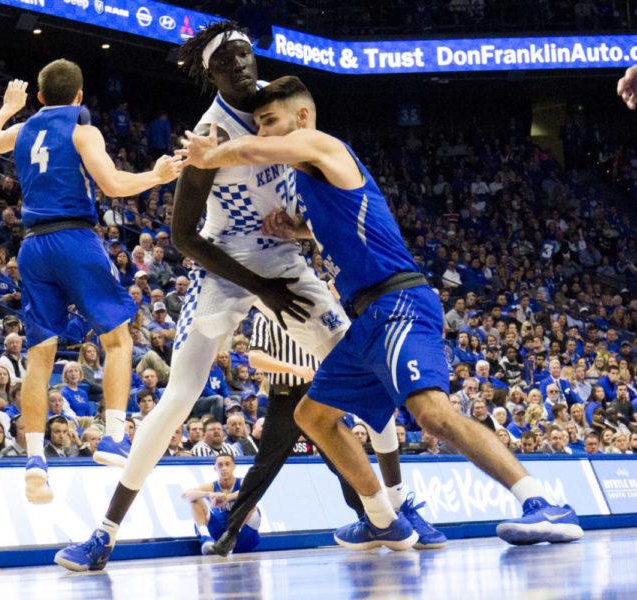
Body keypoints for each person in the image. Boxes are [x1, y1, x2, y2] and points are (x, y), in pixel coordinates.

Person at [177, 73, 583, 547]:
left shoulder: (323, 144)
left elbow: (249, 152)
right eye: (259, 124)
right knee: (313, 417)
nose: (263, 132)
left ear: (302, 117)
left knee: (431, 412)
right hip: (367, 317)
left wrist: (211, 155)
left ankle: (544, 504)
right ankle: (381, 517)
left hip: (398, 301)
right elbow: (352, 226)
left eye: (269, 122)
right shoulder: (315, 178)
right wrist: (300, 233)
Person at [55, 23, 352, 572]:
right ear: (210, 73)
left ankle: (392, 511)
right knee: (179, 396)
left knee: (356, 361)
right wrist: (259, 286)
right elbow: (183, 237)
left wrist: (308, 233)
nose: (241, 65)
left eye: (246, 55)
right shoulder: (206, 136)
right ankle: (104, 532)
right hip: (223, 267)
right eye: (228, 61)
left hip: (284, 258)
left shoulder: (281, 107)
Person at [0, 62, 181, 503]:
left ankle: (33, 460)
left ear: (41, 98)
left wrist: (9, 107)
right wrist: (156, 176)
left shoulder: (24, 128)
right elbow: (113, 185)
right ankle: (112, 436)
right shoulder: (84, 131)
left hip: (32, 247)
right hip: (74, 238)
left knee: (39, 354)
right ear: (80, 97)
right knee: (118, 340)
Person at [209, 311, 444, 556]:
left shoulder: (310, 306)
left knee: (341, 463)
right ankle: (231, 531)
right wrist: (296, 368)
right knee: (263, 467)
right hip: (284, 397)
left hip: (317, 394)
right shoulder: (263, 318)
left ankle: (372, 519)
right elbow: (255, 358)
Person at [181, 454, 260, 555]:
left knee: (250, 502)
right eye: (220, 465)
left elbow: (253, 491)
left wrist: (228, 497)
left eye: (227, 464)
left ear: (234, 466)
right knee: (194, 500)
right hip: (220, 532)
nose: (224, 468)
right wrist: (209, 494)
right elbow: (184, 495)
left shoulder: (242, 482)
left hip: (244, 534)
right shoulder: (211, 487)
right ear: (215, 468)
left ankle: (231, 538)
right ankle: (207, 539)